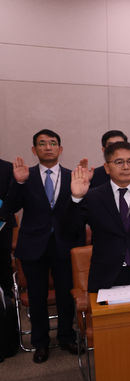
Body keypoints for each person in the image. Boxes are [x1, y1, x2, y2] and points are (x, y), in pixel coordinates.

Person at [6, 129, 85, 362]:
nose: (48, 147)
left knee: (65, 295)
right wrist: (18, 183)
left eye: (52, 143)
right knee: (38, 297)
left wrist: (80, 195)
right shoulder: (24, 175)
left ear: (60, 149)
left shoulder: (73, 176)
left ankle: (66, 337)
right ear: (34, 150)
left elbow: (80, 213)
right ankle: (41, 343)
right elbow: (9, 208)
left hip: (65, 244)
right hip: (33, 246)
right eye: (42, 144)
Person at [68, 142, 130, 292]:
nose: (125, 167)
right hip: (106, 275)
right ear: (106, 167)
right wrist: (76, 198)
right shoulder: (93, 197)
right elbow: (71, 230)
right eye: (119, 162)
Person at [0, 158, 15, 300]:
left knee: (3, 261)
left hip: (3, 225)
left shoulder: (7, 167)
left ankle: (7, 298)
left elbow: (13, 196)